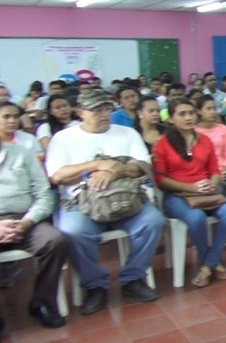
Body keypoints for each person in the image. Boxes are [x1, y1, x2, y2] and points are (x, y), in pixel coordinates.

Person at [47, 90, 164, 315]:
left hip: (126, 199)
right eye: (96, 110)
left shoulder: (127, 133)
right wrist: (96, 166)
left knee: (153, 221)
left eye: (107, 109)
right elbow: (57, 176)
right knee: (72, 231)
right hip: (82, 203)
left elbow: (143, 168)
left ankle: (133, 278)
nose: (103, 115)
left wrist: (115, 171)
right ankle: (95, 285)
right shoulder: (63, 138)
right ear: (80, 112)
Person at [153, 98, 226, 288]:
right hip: (176, 195)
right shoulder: (163, 143)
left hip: (206, 192)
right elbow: (160, 180)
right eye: (182, 114)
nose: (188, 117)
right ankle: (211, 263)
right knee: (196, 217)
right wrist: (191, 188)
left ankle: (208, 265)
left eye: (191, 113)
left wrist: (211, 184)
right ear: (171, 119)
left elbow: (215, 171)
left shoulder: (204, 140)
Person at [0, 142, 69, 329]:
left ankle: (42, 301)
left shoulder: (22, 153)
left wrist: (27, 222)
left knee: (55, 241)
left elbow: (44, 194)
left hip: (26, 218)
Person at [195, 95, 226, 212]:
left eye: (214, 108)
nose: (212, 112)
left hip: (223, 171)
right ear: (199, 111)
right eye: (208, 109)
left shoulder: (223, 129)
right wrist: (212, 175)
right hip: (205, 174)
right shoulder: (194, 131)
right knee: (219, 190)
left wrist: (225, 169)